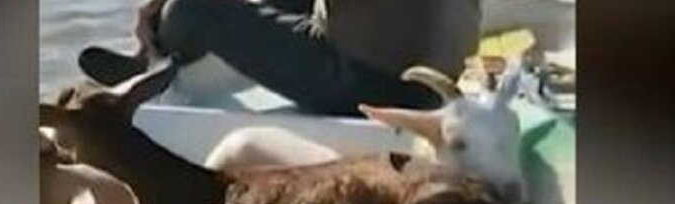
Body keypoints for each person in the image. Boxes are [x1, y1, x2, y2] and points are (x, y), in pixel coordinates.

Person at [79, 0, 481, 116]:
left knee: (190, 9)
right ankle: (153, 56)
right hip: (438, 79)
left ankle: (148, 65)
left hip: (369, 81)